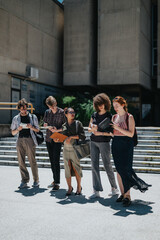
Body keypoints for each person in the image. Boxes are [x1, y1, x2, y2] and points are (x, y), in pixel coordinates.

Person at [111, 96, 151, 207]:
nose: (115, 108)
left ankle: (128, 196)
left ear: (123, 105)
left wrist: (117, 128)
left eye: (117, 106)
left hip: (126, 145)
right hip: (116, 143)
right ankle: (123, 193)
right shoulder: (114, 117)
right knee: (118, 170)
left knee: (126, 169)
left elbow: (131, 134)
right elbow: (113, 132)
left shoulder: (130, 117)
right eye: (114, 106)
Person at [88, 93, 118, 199]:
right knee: (94, 165)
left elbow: (111, 133)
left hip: (104, 143)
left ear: (106, 103)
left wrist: (100, 133)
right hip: (93, 142)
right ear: (96, 104)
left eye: (102, 104)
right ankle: (96, 190)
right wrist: (93, 129)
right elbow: (88, 128)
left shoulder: (109, 116)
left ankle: (114, 188)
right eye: (99, 104)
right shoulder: (94, 115)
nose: (101, 106)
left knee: (107, 165)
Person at [11, 98, 40, 189]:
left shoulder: (32, 117)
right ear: (19, 109)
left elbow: (38, 130)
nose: (23, 110)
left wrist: (31, 127)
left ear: (27, 107)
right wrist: (17, 129)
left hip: (30, 140)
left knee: (32, 161)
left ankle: (36, 180)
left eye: (25, 108)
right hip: (20, 140)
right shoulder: (16, 118)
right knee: (21, 161)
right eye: (22, 108)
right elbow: (13, 132)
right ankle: (24, 180)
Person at [61, 107, 85, 196]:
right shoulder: (64, 125)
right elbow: (63, 137)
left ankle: (79, 187)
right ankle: (70, 187)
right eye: (70, 112)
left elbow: (83, 136)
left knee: (76, 168)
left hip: (75, 148)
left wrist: (71, 137)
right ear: (66, 114)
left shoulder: (78, 124)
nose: (72, 114)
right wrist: (57, 139)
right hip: (65, 149)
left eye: (73, 112)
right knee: (67, 168)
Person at [43, 96, 66, 191]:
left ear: (55, 103)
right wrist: (46, 126)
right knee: (52, 161)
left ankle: (57, 182)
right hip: (48, 138)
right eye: (50, 107)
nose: (51, 108)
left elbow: (65, 127)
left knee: (56, 160)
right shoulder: (47, 112)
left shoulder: (61, 112)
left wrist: (58, 130)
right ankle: (54, 179)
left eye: (52, 106)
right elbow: (45, 124)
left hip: (58, 138)